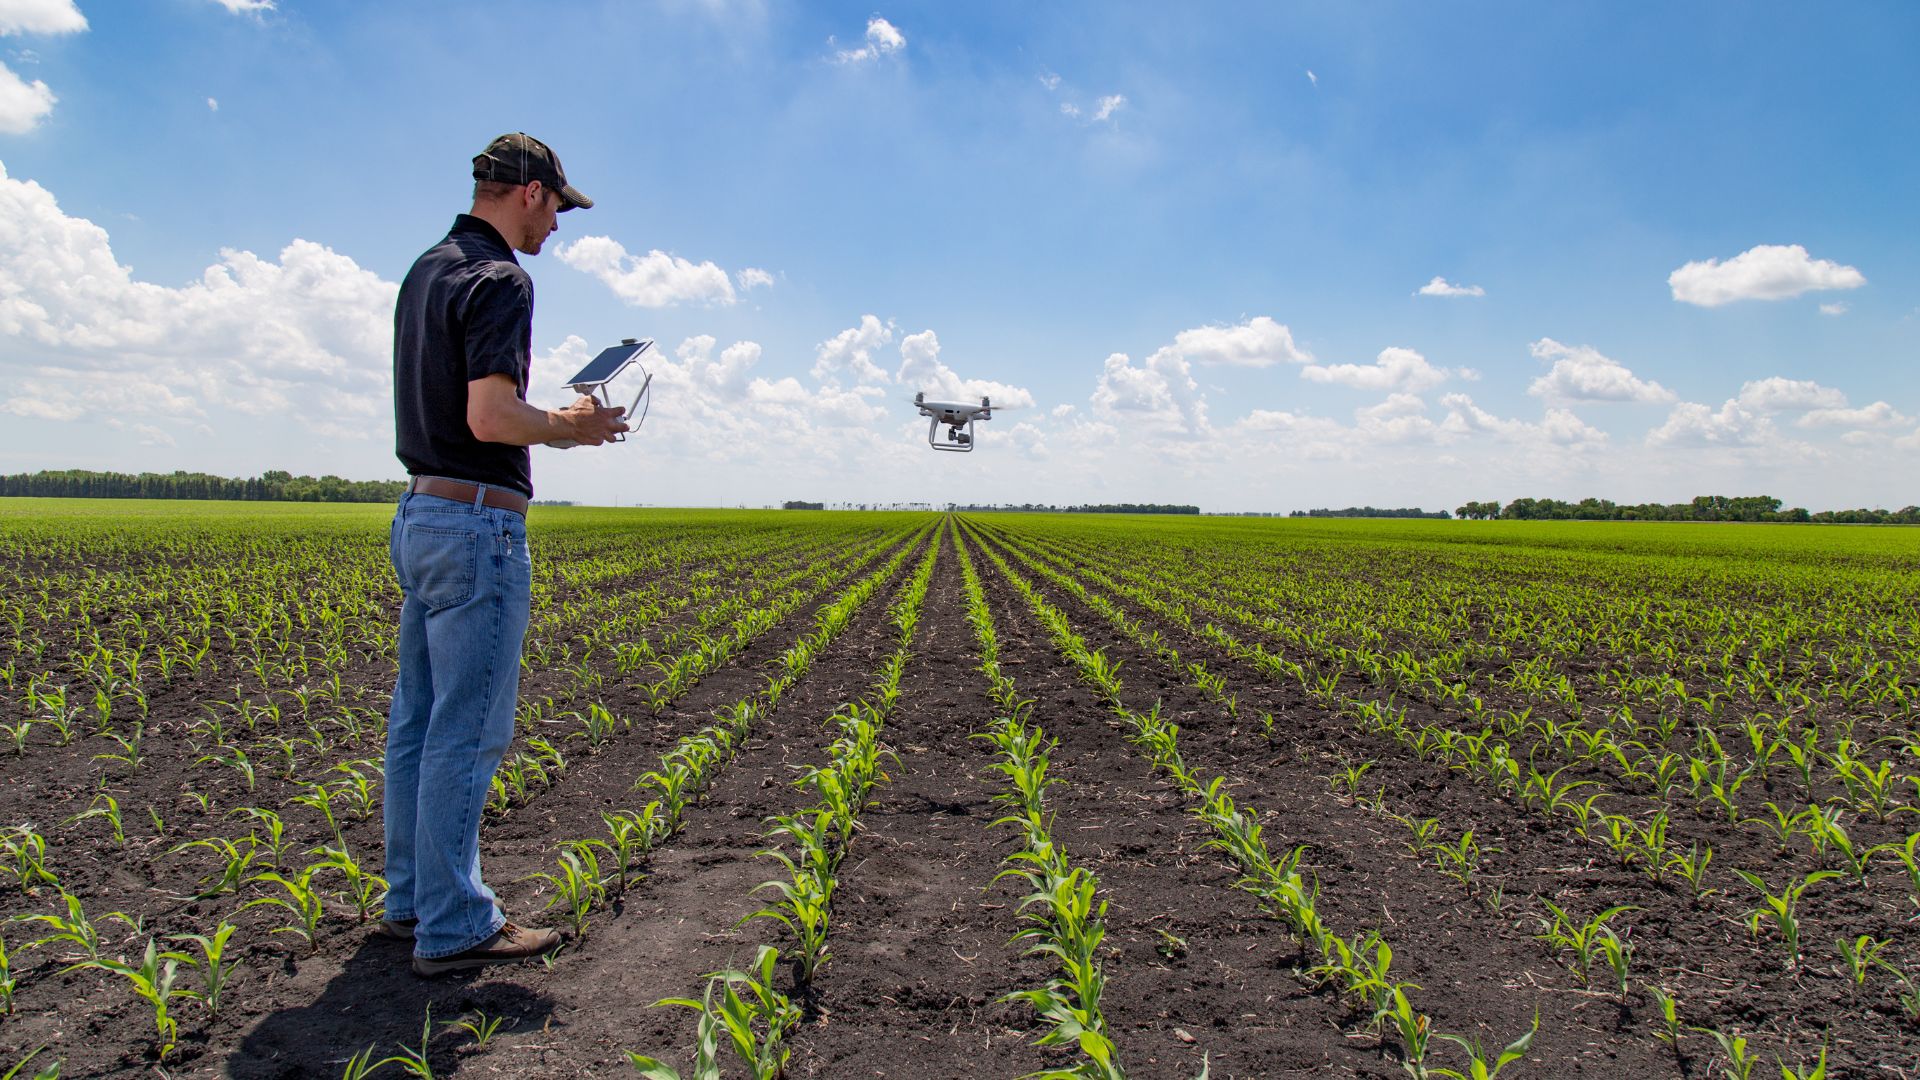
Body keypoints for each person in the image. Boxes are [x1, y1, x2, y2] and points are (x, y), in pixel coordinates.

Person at [382, 132, 628, 977]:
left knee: (417, 722)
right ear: (529, 192)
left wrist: (549, 421)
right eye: (558, 206)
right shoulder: (501, 280)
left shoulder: (427, 270)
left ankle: (412, 900)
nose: (558, 225)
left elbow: (464, 408)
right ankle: (454, 923)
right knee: (468, 728)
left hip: (420, 514)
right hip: (477, 523)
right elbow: (491, 418)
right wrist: (574, 427)